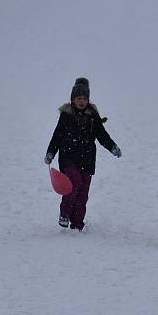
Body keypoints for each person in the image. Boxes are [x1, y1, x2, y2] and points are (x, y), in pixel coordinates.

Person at [44, 77, 122, 230]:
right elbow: (57, 135)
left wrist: (112, 147)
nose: (81, 101)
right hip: (69, 158)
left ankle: (77, 222)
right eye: (78, 98)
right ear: (73, 99)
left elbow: (102, 135)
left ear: (88, 99)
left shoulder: (92, 116)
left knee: (83, 192)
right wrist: (50, 153)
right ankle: (65, 214)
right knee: (73, 184)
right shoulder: (66, 115)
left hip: (87, 159)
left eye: (84, 98)